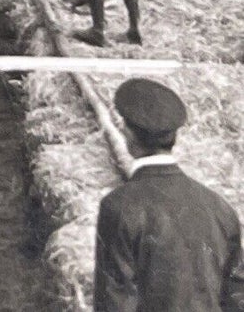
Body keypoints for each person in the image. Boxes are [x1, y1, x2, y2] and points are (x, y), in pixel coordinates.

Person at [94, 78, 244, 312]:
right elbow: (237, 298)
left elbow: (114, 302)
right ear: (174, 137)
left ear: (129, 136)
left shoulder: (118, 206)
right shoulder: (220, 208)